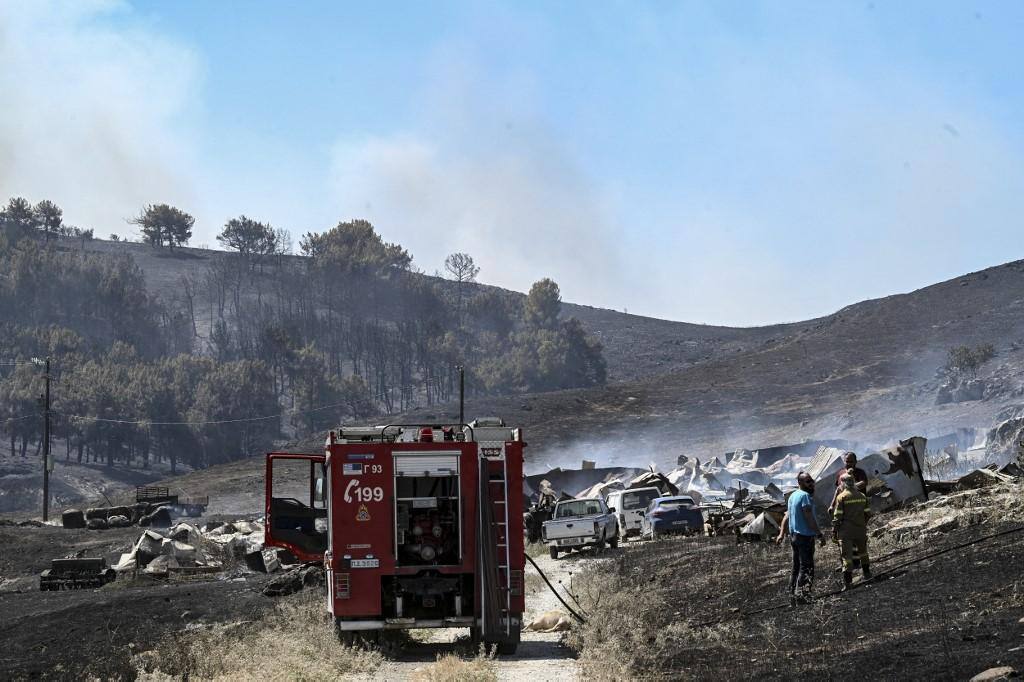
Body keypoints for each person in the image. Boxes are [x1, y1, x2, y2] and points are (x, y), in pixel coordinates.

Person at [776, 471, 825, 603]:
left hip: (794, 536)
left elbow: (786, 517)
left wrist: (781, 534)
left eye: (811, 481)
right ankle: (803, 596)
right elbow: (809, 517)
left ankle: (792, 595)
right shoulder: (804, 497)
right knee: (806, 567)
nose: (811, 483)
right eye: (808, 481)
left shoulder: (793, 496)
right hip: (805, 537)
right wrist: (819, 534)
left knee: (796, 567)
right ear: (800, 483)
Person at [832, 471, 872, 589]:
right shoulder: (862, 496)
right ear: (853, 482)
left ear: (843, 484)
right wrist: (862, 524)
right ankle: (867, 575)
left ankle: (848, 583)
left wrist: (834, 531)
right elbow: (868, 514)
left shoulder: (841, 497)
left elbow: (837, 517)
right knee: (863, 553)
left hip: (846, 533)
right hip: (860, 530)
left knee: (847, 558)